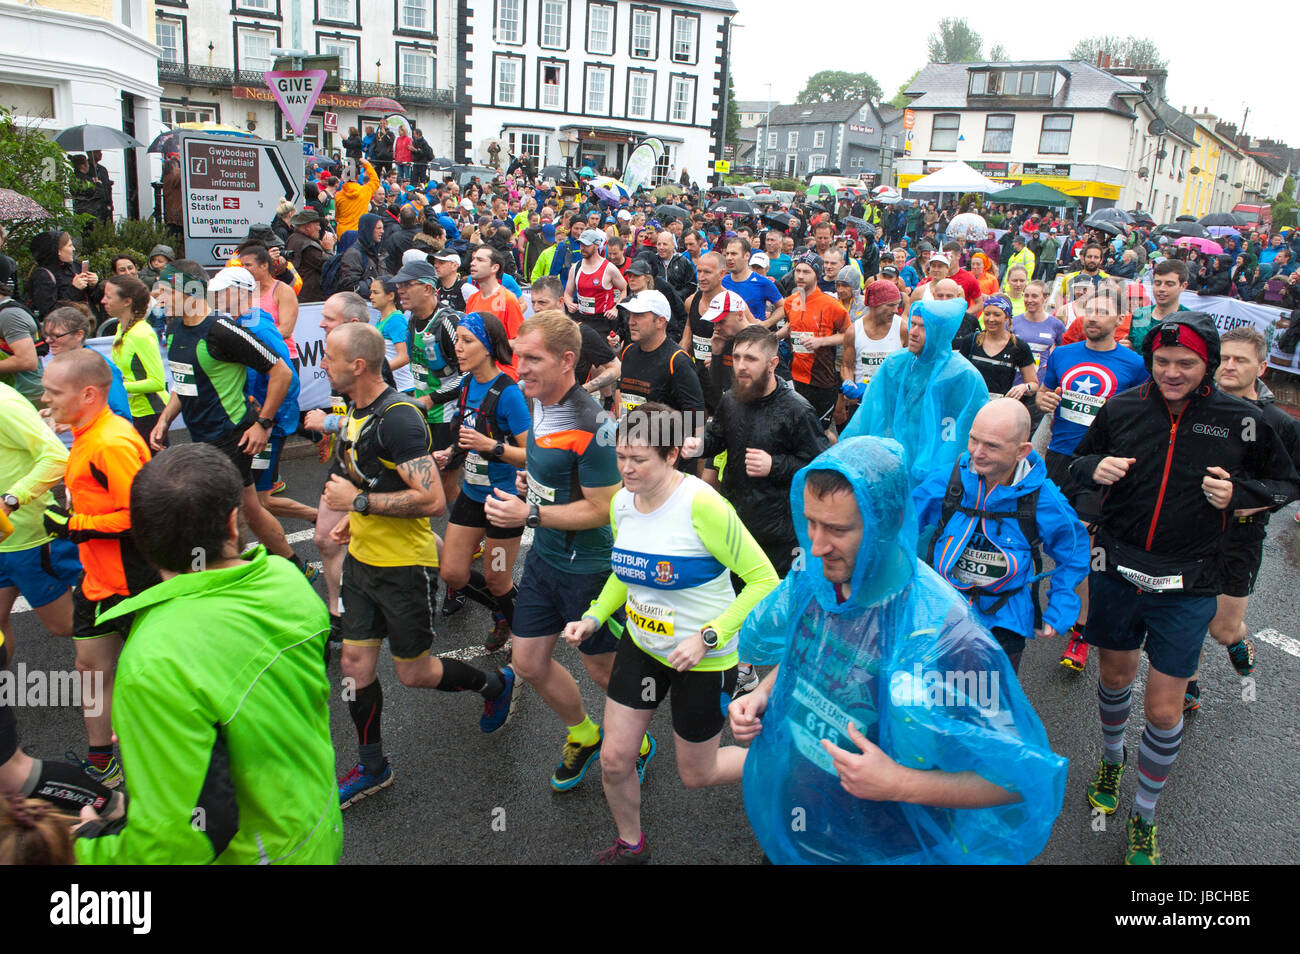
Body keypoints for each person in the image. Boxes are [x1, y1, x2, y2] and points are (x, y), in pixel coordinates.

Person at [729, 436, 1067, 864]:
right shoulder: (816, 583)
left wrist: (898, 783)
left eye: (837, 529)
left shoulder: (947, 636)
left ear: (885, 524)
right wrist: (762, 695)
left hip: (886, 845)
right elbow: (810, 655)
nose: (816, 546)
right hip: (801, 826)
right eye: (812, 523)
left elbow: (1014, 778)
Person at [1069, 314, 1298, 864]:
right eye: (1163, 362)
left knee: (1167, 712)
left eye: (1187, 364)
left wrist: (1241, 494)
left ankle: (1145, 814)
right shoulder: (1122, 408)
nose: (1172, 373)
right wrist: (1092, 466)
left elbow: (1287, 481)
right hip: (1118, 568)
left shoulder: (1243, 419)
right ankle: (1111, 758)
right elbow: (1070, 465)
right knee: (1115, 676)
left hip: (1191, 579)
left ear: (1209, 366)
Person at [71, 443, 341, 863]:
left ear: (141, 539)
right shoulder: (289, 584)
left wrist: (85, 848)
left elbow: (181, 842)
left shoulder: (154, 661)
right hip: (315, 825)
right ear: (233, 524)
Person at [566, 403, 779, 863]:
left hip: (703, 658)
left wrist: (707, 637)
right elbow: (627, 569)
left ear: (672, 455)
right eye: (621, 456)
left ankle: (786, 759)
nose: (626, 468)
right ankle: (631, 845)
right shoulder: (622, 501)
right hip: (642, 647)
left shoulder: (703, 505)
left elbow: (765, 580)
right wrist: (595, 616)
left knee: (696, 774)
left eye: (638, 459)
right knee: (615, 758)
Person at [321, 323, 516, 807]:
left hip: (404, 568)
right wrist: (354, 522)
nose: (321, 363)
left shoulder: (398, 418)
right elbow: (369, 477)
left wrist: (360, 505)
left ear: (358, 365)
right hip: (363, 563)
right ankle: (372, 766)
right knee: (353, 663)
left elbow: (430, 501)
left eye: (328, 356)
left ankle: (494, 683)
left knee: (413, 672)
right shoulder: (352, 410)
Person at [481, 312, 650, 790]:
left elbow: (603, 509)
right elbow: (553, 471)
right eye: (518, 357)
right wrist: (532, 483)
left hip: (590, 569)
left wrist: (529, 516)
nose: (521, 368)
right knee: (529, 663)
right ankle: (585, 733)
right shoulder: (538, 401)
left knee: (603, 670)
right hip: (546, 559)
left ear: (567, 361)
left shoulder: (594, 424)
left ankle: (637, 742)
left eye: (533, 359)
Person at [39, 350, 158, 788]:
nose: (44, 399)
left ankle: (180, 763)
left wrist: (74, 525)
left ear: (87, 394)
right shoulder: (85, 432)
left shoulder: (111, 442)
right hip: (96, 580)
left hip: (134, 583)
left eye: (53, 392)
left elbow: (139, 516)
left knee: (155, 676)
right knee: (89, 669)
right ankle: (102, 762)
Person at [147, 261, 305, 574]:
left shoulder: (222, 330)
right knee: (246, 509)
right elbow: (184, 381)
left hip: (231, 436)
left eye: (164, 291)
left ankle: (207, 572)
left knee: (210, 512)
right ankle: (293, 566)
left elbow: (282, 372)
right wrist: (164, 419)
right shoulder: (176, 328)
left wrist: (263, 424)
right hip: (202, 437)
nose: (158, 298)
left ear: (189, 291)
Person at [915, 399, 1090, 672]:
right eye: (974, 440)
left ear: (1022, 451)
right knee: (934, 697)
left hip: (1004, 619)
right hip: (942, 610)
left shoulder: (1044, 499)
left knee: (990, 704)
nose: (977, 452)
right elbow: (901, 525)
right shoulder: (950, 481)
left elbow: (1074, 551)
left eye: (992, 446)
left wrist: (1061, 605)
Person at [1184, 328, 1300, 711]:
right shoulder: (1196, 405)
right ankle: (1188, 688)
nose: (1229, 367)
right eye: (1225, 359)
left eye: (1241, 360)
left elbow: (1291, 482)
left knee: (1221, 627)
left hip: (1241, 539)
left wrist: (1259, 501)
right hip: (1191, 532)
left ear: (1262, 367)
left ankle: (1238, 638)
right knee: (1189, 618)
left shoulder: (1279, 423)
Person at [1036, 281, 1149, 672]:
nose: (1092, 318)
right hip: (1057, 458)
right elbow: (1045, 395)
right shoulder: (1063, 354)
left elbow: (1142, 416)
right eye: (1087, 311)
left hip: (1099, 465)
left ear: (1120, 320)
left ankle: (1081, 634)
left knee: (1080, 540)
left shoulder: (1134, 366)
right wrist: (1041, 398)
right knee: (1040, 536)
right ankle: (1032, 606)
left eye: (1101, 312)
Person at [433, 312, 529, 654]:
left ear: (488, 347)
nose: (457, 348)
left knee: (498, 578)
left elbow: (531, 454)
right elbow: (468, 432)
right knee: (453, 573)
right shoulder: (466, 384)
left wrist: (492, 447)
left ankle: (526, 640)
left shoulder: (509, 393)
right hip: (472, 496)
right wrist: (450, 451)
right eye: (457, 340)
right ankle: (502, 612)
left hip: (503, 503)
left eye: (467, 341)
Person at [841, 298, 989, 489]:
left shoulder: (963, 375)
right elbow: (872, 414)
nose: (913, 332)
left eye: (923, 327)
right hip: (895, 466)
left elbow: (968, 430)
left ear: (939, 332)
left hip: (940, 475)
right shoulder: (896, 364)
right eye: (913, 324)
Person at [614, 290, 705, 473]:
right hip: (633, 455)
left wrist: (686, 468)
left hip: (666, 464)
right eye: (630, 315)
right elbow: (620, 390)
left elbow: (696, 418)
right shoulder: (629, 352)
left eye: (639, 315)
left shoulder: (677, 360)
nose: (631, 321)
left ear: (661, 322)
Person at [767, 253, 848, 438]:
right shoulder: (790, 302)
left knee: (822, 432)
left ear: (817, 275)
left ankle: (831, 465)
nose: (800, 276)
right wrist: (774, 337)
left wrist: (821, 341)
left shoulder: (831, 305)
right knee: (799, 429)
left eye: (806, 272)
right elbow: (791, 326)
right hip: (797, 377)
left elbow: (847, 335)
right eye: (798, 271)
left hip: (822, 380)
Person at [103, 275, 167, 444]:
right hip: (131, 411)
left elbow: (157, 382)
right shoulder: (120, 327)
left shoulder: (142, 334)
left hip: (149, 414)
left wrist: (117, 387)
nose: (103, 301)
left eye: (109, 297)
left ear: (127, 302)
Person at [41, 307, 132, 423]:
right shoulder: (63, 366)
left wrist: (75, 424)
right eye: (46, 335)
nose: (48, 340)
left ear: (79, 335)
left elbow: (121, 416)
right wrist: (53, 413)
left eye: (56, 336)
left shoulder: (100, 368)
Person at [839, 278, 906, 415]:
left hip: (892, 404)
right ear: (874, 305)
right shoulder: (854, 331)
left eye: (897, 305)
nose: (896, 310)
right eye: (890, 305)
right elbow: (847, 366)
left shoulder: (902, 328)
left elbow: (912, 365)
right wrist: (848, 383)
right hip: (862, 404)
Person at [953, 295, 1038, 401]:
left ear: (1006, 317)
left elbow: (1033, 384)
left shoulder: (1019, 346)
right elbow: (957, 373)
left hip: (999, 408)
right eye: (987, 314)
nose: (991, 319)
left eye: (997, 315)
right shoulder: (971, 341)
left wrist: (1024, 387)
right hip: (971, 404)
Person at [237, 242, 301, 363]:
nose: (244, 269)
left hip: (283, 357)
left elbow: (286, 330)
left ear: (264, 265)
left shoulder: (282, 290)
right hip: (254, 358)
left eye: (248, 265)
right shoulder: (243, 291)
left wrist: (252, 339)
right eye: (242, 265)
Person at [563, 229, 627, 340]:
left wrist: (616, 308)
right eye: (581, 244)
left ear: (597, 245)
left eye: (586, 245)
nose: (582, 248)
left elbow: (625, 289)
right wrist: (569, 303)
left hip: (602, 322)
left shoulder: (609, 268)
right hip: (581, 318)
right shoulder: (576, 267)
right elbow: (568, 293)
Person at [26, 230, 100, 320]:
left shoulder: (76, 266)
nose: (73, 249)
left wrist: (94, 285)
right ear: (58, 251)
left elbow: (94, 299)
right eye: (69, 245)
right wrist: (74, 289)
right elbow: (49, 311)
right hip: (67, 328)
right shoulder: (43, 275)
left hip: (89, 324)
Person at [1128, 259, 1189, 354]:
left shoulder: (1189, 320)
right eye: (1157, 283)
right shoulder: (1140, 314)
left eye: (1169, 284)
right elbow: (1133, 345)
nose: (1161, 289)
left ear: (1183, 286)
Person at [465, 246, 525, 342]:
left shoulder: (508, 299)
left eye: (480, 260)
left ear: (494, 267)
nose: (472, 263)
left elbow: (519, 341)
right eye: (473, 259)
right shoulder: (472, 300)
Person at [721, 236, 782, 325]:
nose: (729, 258)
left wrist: (766, 324)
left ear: (747, 256)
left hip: (752, 336)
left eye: (734, 254)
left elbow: (782, 307)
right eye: (727, 254)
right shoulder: (723, 281)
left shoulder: (762, 282)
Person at [369, 275, 414, 393]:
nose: (371, 297)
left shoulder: (395, 320)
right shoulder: (382, 318)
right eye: (371, 292)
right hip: (392, 387)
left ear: (390, 296)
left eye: (375, 292)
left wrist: (377, 371)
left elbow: (404, 356)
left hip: (404, 388)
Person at [286, 210, 328, 303]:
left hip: (301, 295)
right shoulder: (308, 245)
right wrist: (329, 249)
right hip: (309, 298)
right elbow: (328, 265)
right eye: (317, 224)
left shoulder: (293, 238)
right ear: (308, 227)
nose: (319, 228)